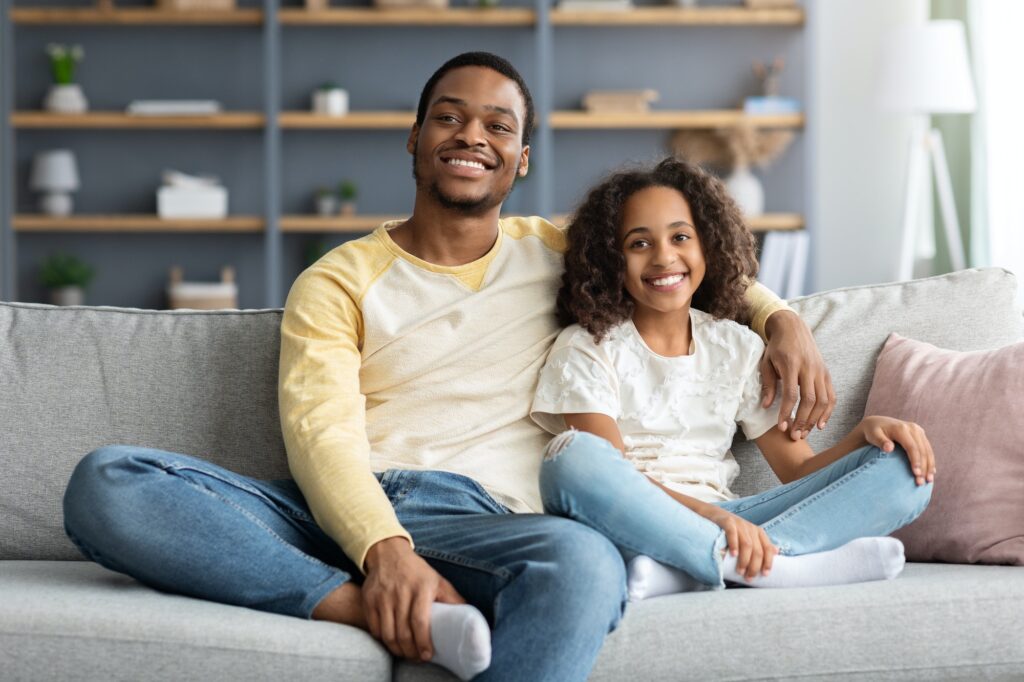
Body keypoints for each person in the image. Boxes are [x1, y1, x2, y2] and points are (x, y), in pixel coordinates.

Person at [62, 54, 834, 681]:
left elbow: (674, 264)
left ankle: (397, 597)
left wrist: (780, 318)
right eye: (450, 117)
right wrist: (381, 553)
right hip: (348, 509)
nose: (473, 135)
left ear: (522, 158)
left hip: (497, 524)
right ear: (414, 138)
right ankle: (359, 605)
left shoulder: (555, 249)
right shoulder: (338, 279)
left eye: (498, 125)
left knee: (585, 562)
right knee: (107, 482)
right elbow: (321, 434)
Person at [531, 157, 935, 601]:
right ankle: (759, 561)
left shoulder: (737, 346)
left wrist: (863, 435)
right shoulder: (586, 346)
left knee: (904, 471)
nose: (664, 256)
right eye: (639, 243)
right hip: (638, 520)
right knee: (570, 459)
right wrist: (716, 520)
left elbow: (798, 471)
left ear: (708, 246)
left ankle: (721, 563)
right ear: (612, 259)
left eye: (681, 237)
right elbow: (608, 473)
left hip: (739, 516)